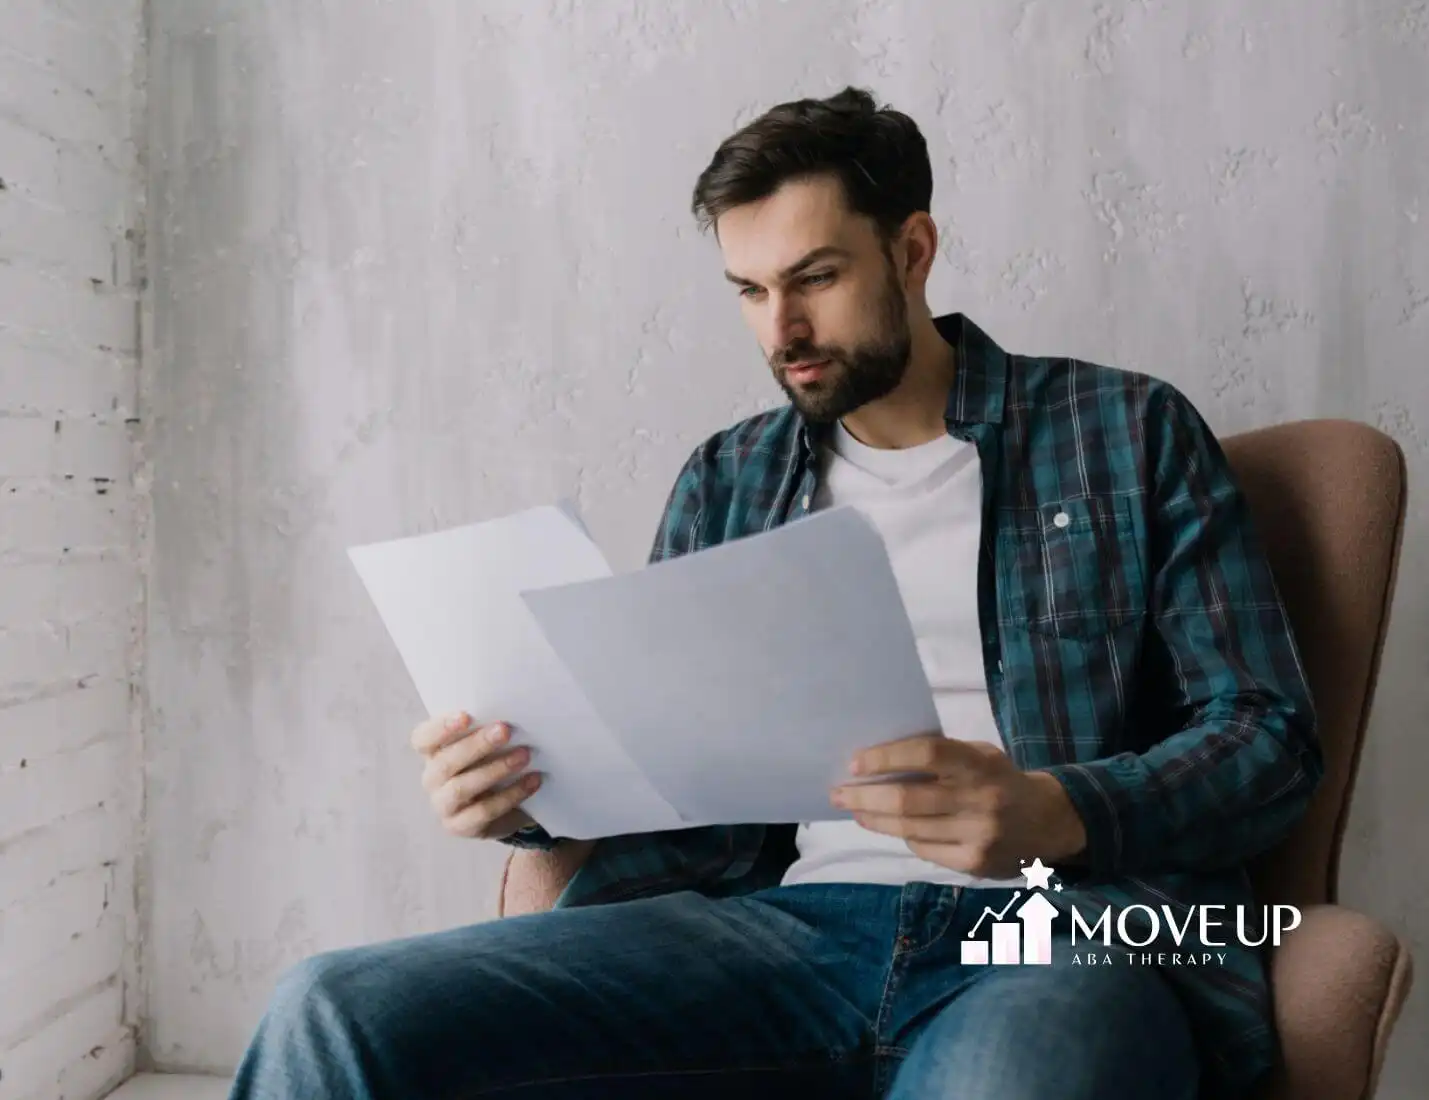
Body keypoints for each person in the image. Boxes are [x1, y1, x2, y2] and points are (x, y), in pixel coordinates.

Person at [228, 86, 1322, 1100]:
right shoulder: (728, 477)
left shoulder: (1123, 431)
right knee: (330, 1011)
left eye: (814, 279)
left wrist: (1059, 809)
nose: (779, 330)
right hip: (783, 928)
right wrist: (531, 796)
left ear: (913, 249)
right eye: (749, 290)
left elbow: (1269, 734)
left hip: (1054, 927)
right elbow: (668, 771)